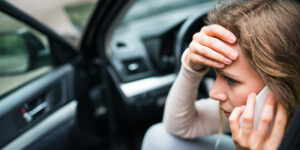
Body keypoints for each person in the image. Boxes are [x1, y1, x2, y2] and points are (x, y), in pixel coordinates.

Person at [142, 0, 300, 149]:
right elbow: (179, 126)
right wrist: (191, 68)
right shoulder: (245, 108)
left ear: (283, 84)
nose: (213, 93)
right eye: (214, 73)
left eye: (231, 80)